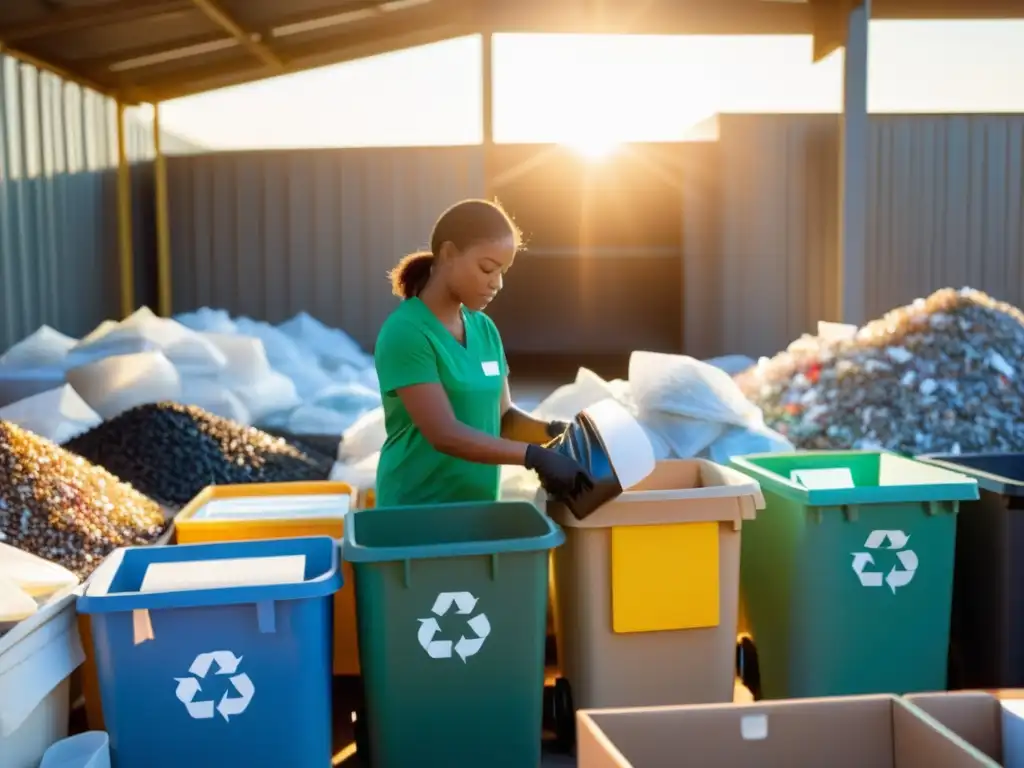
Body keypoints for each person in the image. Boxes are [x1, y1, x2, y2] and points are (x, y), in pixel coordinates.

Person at [372, 198, 592, 508]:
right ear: (448, 254)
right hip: (416, 509)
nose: (497, 283)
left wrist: (553, 433)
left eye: (503, 272)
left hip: (478, 507)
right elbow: (443, 433)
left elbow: (503, 418)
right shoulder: (406, 332)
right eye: (487, 268)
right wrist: (532, 457)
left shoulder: (484, 329)